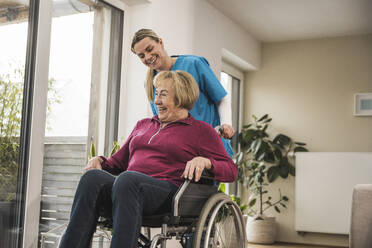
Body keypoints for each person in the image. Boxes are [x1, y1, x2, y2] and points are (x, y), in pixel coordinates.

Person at [59, 70, 237, 248]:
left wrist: (206, 162)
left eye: (164, 95)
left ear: (181, 96)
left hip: (168, 195)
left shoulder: (201, 131)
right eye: (156, 93)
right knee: (92, 178)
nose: (157, 100)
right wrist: (99, 161)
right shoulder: (143, 125)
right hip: (127, 190)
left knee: (128, 180)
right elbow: (117, 162)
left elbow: (231, 171)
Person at [131, 28, 235, 157]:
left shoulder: (194, 64)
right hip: (182, 154)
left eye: (150, 49)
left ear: (160, 42)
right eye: (141, 55)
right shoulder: (150, 83)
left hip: (211, 148)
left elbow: (221, 98)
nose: (147, 57)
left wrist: (226, 124)